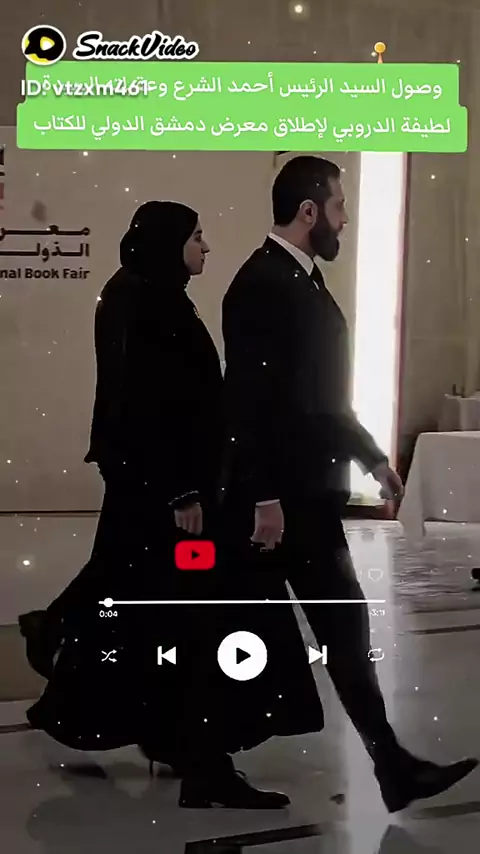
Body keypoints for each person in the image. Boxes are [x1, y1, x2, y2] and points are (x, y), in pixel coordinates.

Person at [23, 200, 325, 809]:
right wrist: (181, 491)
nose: (206, 246)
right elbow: (149, 406)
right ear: (169, 243)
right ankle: (202, 761)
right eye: (196, 236)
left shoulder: (144, 293)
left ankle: (178, 741)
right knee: (194, 621)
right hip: (172, 497)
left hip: (160, 489)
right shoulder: (149, 304)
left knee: (155, 613)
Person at [222, 156, 478, 813]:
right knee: (248, 630)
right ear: (308, 211)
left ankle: (391, 765)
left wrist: (371, 458)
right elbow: (247, 403)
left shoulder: (301, 281)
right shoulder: (261, 285)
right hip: (282, 502)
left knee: (338, 627)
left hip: (307, 496)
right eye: (338, 205)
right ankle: (199, 758)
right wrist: (264, 497)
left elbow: (322, 399)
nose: (345, 218)